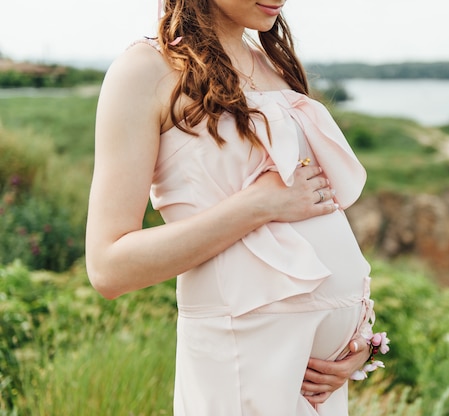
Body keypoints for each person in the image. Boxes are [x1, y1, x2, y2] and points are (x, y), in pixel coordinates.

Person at [85, 0, 386, 414]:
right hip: (241, 369)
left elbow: (313, 215)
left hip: (318, 386)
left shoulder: (272, 65)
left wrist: (360, 344)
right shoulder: (143, 70)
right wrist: (258, 205)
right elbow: (108, 268)